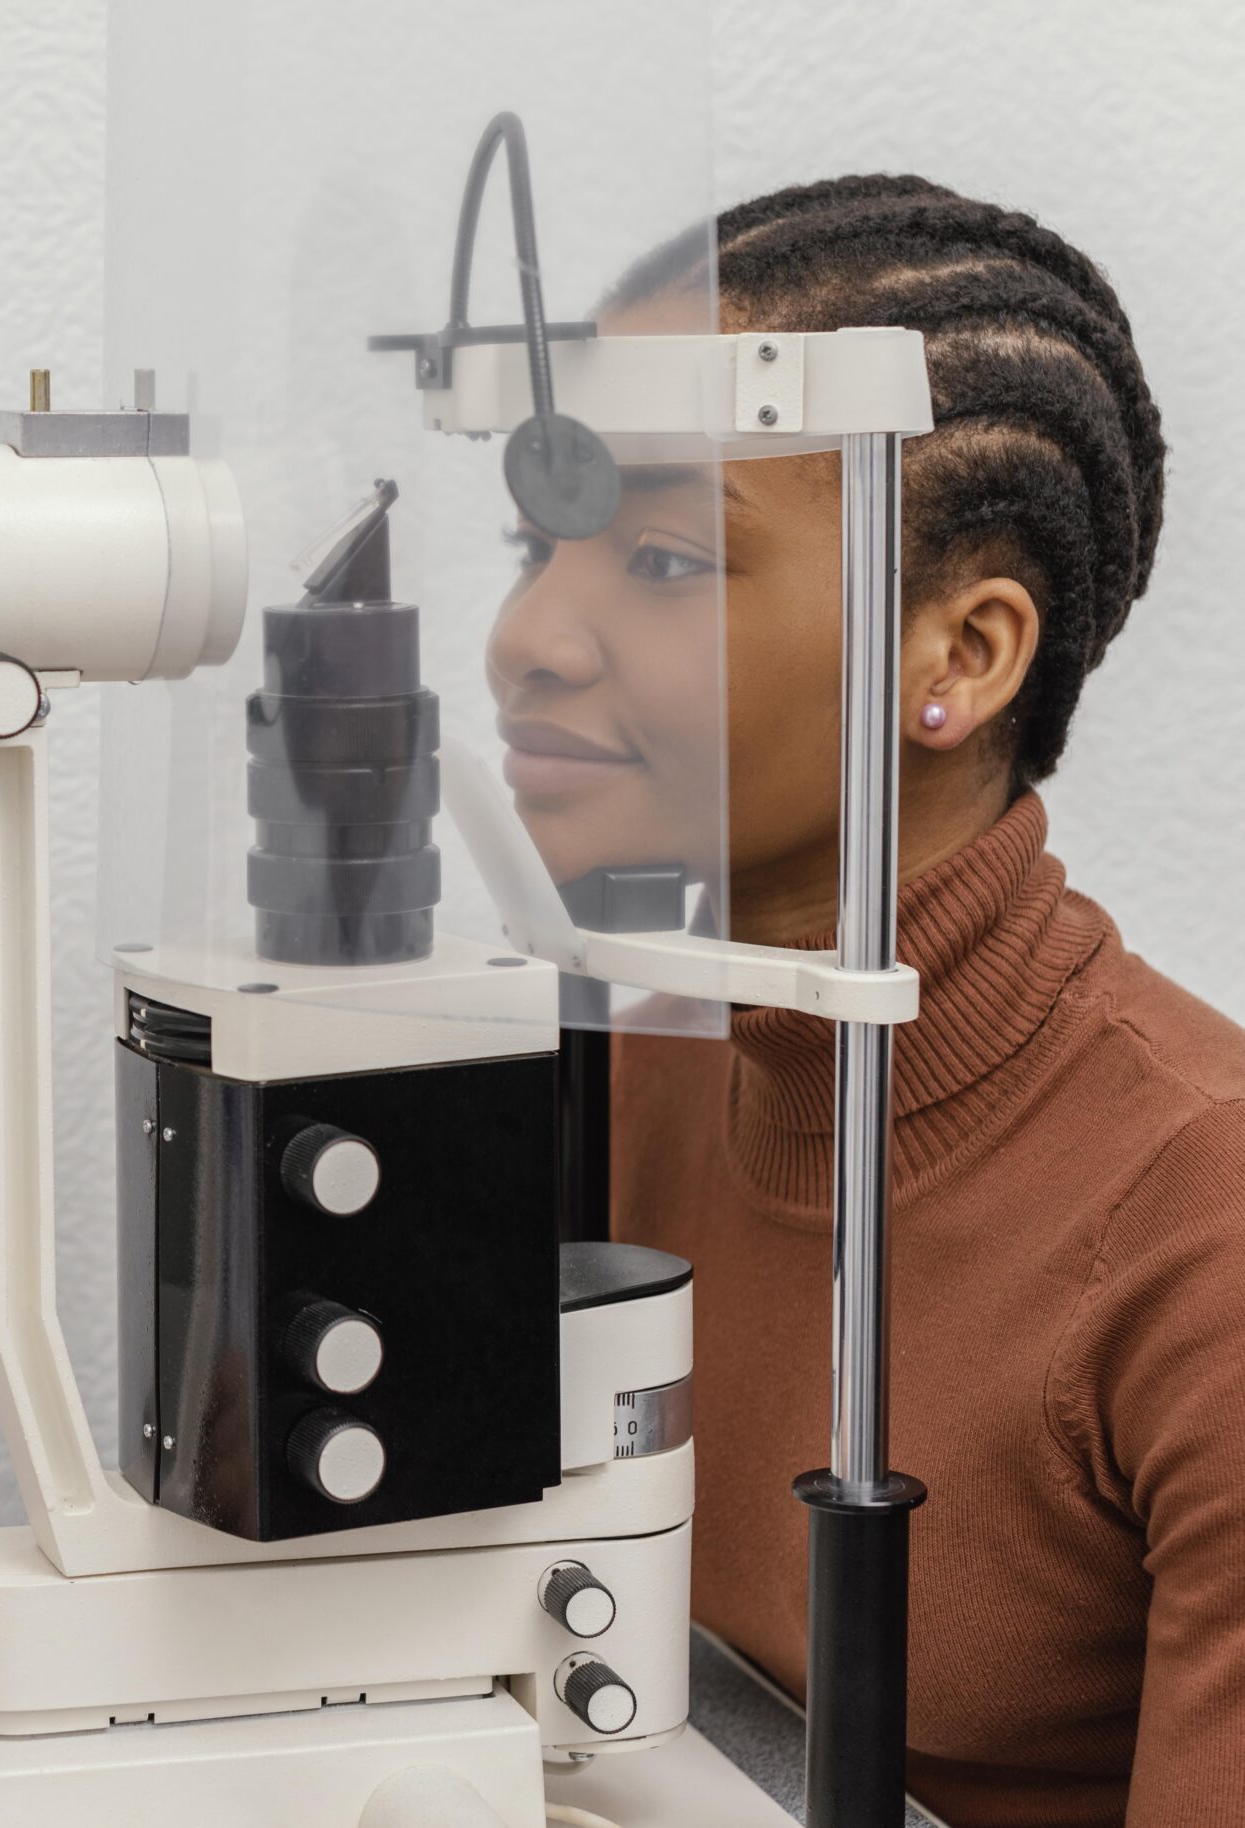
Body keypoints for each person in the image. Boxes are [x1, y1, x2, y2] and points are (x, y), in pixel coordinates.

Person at [491, 174, 1237, 1826]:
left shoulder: (1204, 1230)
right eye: (539, 542)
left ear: (958, 657)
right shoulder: (626, 1057)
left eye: (669, 559)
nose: (527, 636)